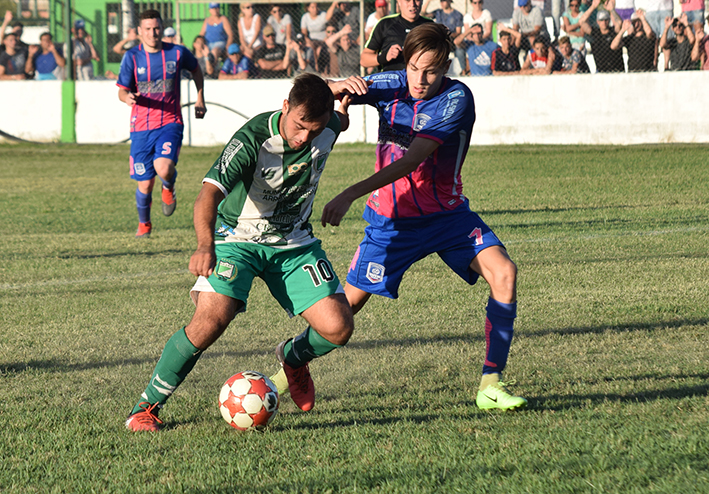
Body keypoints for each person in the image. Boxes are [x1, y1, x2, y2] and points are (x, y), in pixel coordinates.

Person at [125, 73, 355, 431]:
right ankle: (147, 407)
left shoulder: (329, 125)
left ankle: (293, 358)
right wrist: (205, 245)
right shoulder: (252, 139)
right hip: (237, 238)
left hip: (294, 242)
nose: (304, 137)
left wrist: (337, 93)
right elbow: (208, 194)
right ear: (285, 107)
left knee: (338, 328)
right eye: (298, 126)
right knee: (210, 321)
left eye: (314, 129)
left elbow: (341, 120)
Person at [323, 22, 527, 413]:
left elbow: (412, 159)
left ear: (446, 66)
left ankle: (490, 384)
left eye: (431, 70)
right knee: (343, 312)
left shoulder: (455, 99)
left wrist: (349, 192)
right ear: (406, 61)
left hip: (448, 217)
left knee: (504, 272)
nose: (420, 79)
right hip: (392, 222)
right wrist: (335, 91)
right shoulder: (391, 82)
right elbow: (326, 90)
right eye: (415, 68)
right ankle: (290, 366)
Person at [116, 9, 207, 238]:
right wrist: (126, 97)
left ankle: (168, 186)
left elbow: (196, 69)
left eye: (156, 28)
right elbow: (122, 90)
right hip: (140, 128)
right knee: (145, 185)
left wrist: (200, 97)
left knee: (164, 168)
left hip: (170, 122)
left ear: (161, 28)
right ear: (139, 31)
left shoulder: (176, 53)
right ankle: (144, 224)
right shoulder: (132, 57)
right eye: (148, 29)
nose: (153, 33)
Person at [360, 0, 433, 72]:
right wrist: (384, 57)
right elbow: (363, 60)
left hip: (420, 81)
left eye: (416, 0)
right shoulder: (385, 24)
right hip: (391, 80)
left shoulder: (430, 26)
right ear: (399, 2)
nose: (412, 4)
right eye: (407, 0)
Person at [580, 0, 625, 73]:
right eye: (601, 20)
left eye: (606, 20)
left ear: (609, 20)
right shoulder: (595, 33)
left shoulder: (613, 31)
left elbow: (619, 23)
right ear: (598, 21)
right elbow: (581, 22)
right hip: (601, 71)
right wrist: (593, 6)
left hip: (617, 70)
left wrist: (612, 10)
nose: (604, 22)